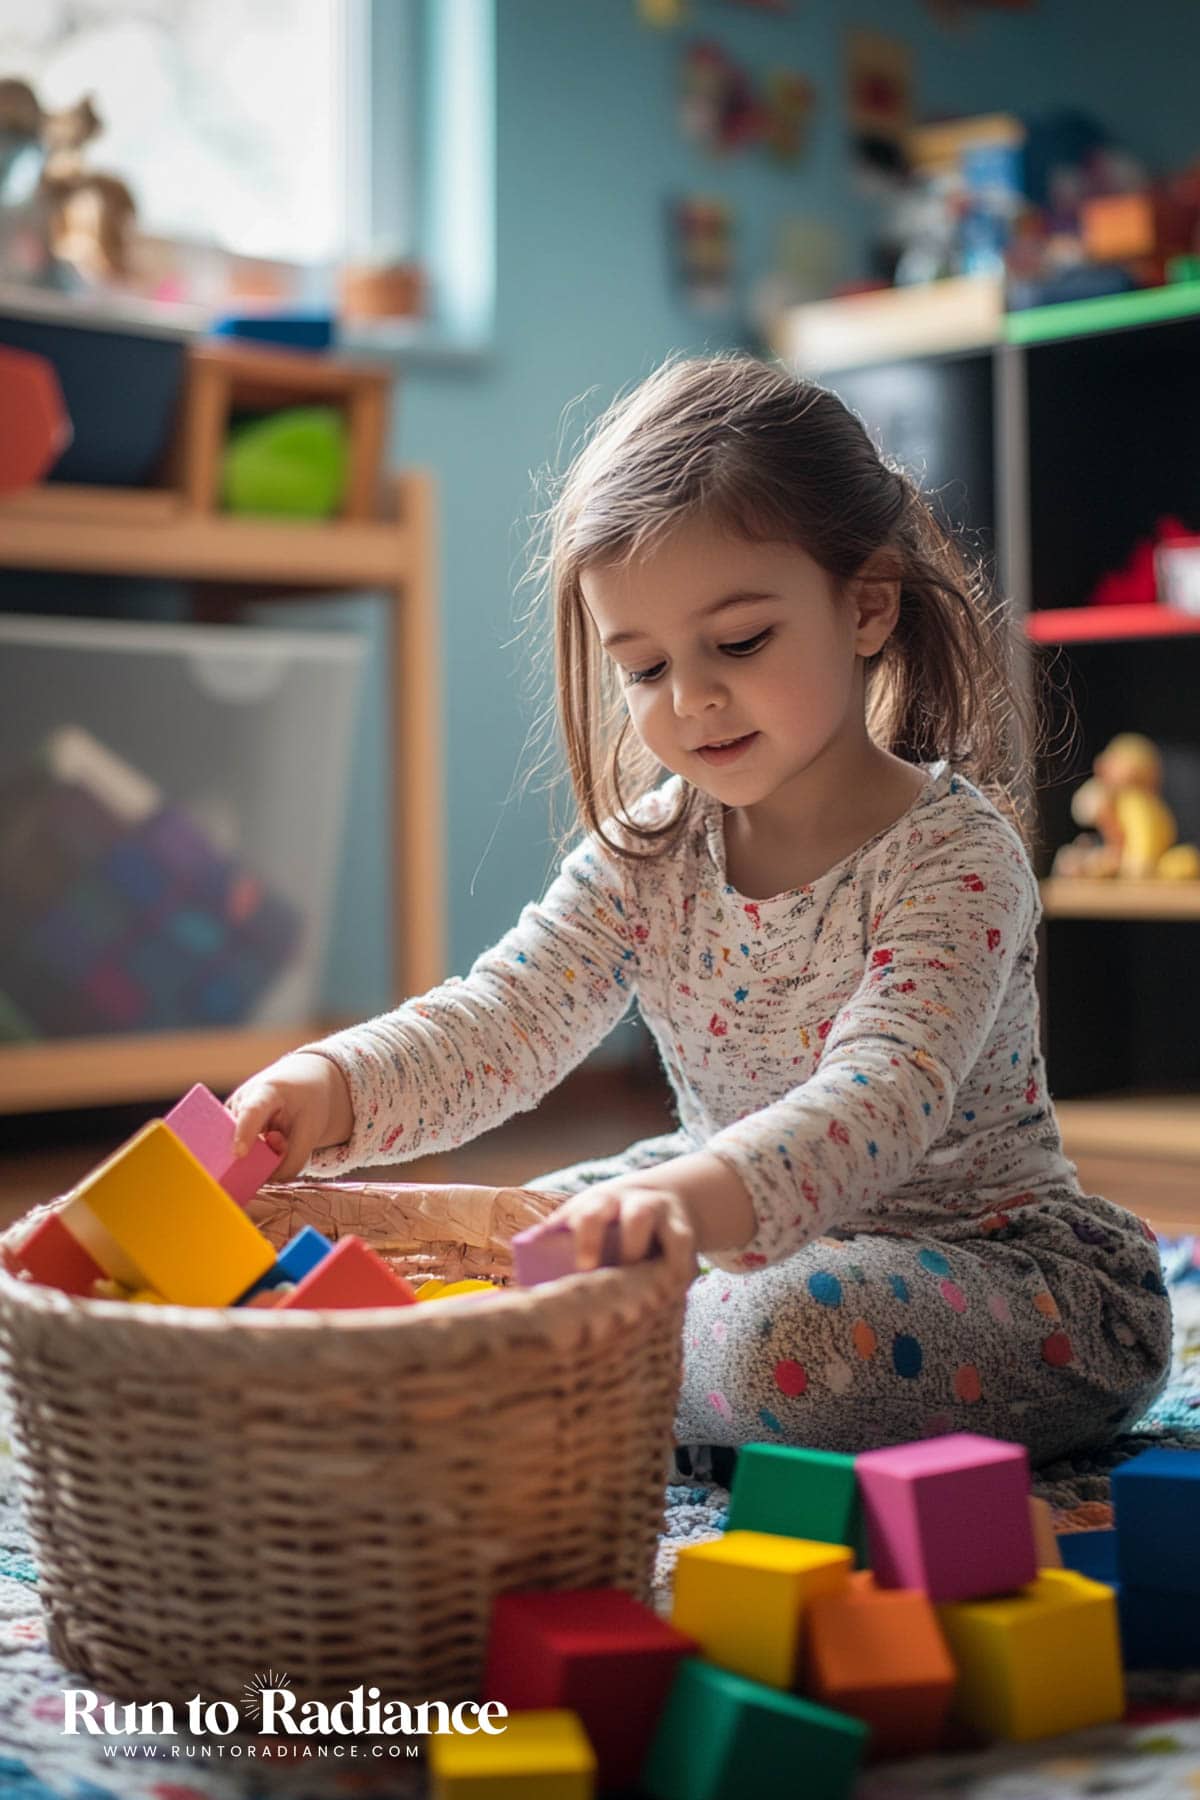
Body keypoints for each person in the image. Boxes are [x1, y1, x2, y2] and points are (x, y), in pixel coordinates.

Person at [228, 353, 1171, 1465]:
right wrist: (329, 1089)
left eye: (739, 643)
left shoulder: (955, 855)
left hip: (994, 1273)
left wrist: (691, 1205)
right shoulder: (649, 852)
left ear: (866, 607)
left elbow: (882, 1095)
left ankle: (578, 1376)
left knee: (773, 1333)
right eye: (642, 667)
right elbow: (503, 1020)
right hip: (718, 1226)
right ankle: (574, 1363)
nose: (690, 701)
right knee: (515, 1238)